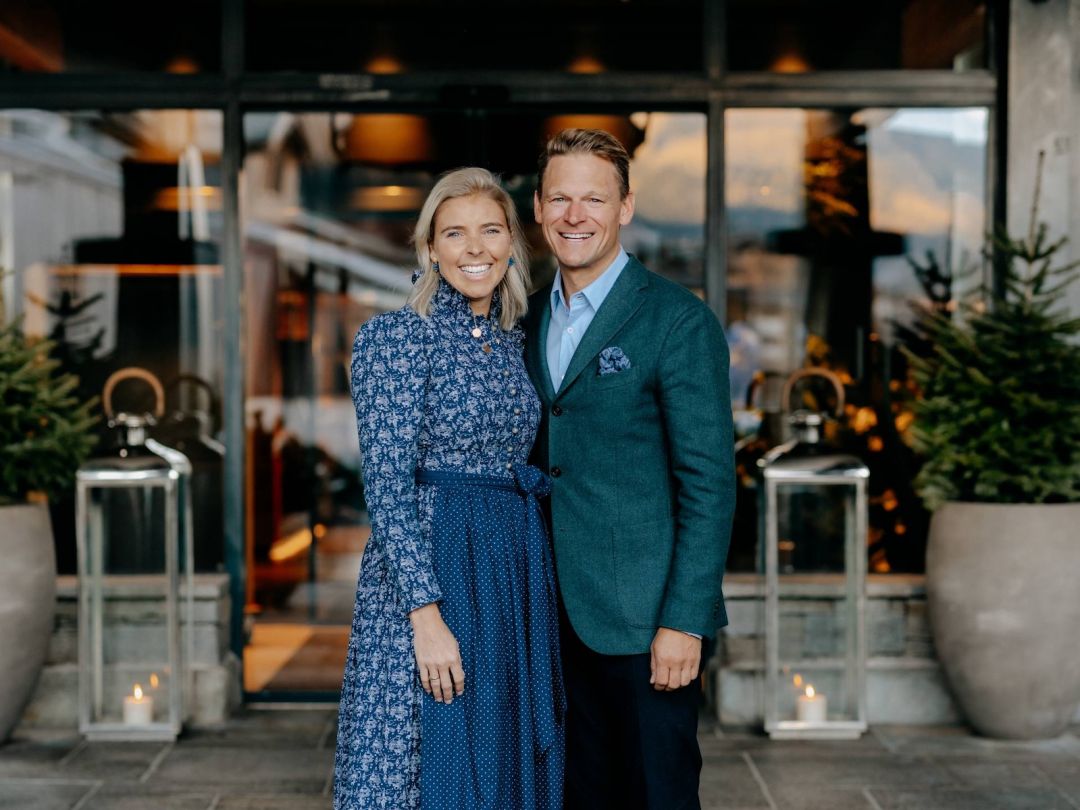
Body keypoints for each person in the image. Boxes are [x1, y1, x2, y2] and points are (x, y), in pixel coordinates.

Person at [334, 167, 564, 810]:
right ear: (430, 248)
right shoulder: (398, 337)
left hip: (507, 570)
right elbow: (385, 479)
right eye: (454, 233)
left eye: (491, 230)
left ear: (513, 243)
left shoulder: (511, 343)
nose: (474, 248)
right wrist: (425, 614)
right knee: (421, 750)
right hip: (432, 565)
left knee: (494, 748)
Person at [522, 128, 735, 810]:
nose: (575, 214)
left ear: (625, 207)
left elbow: (708, 484)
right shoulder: (525, 322)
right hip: (549, 615)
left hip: (645, 624)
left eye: (594, 198)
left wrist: (685, 620)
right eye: (560, 198)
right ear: (537, 208)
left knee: (657, 796)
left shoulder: (676, 321)